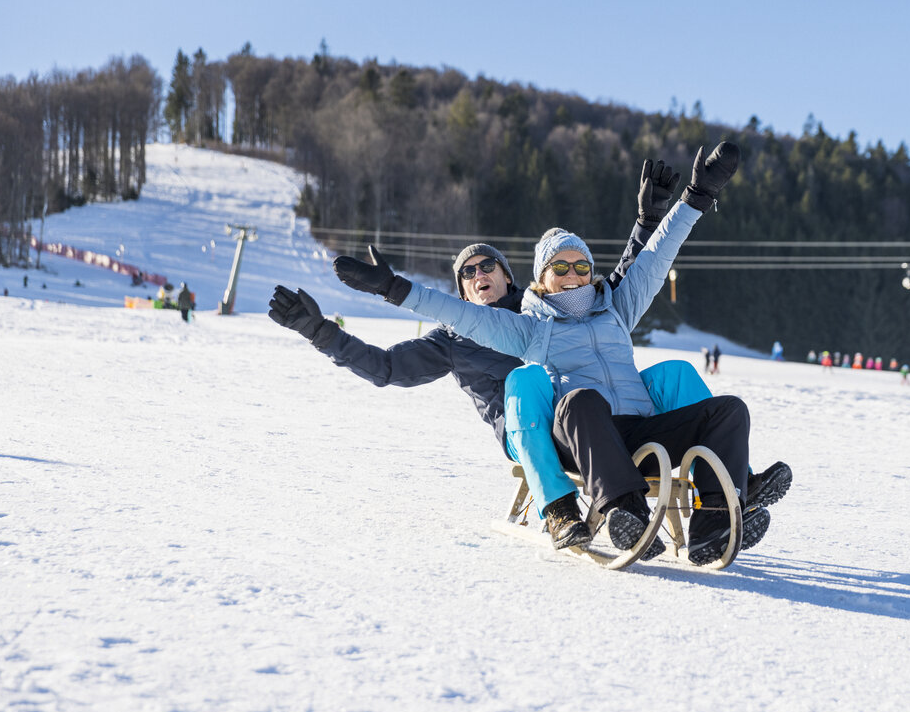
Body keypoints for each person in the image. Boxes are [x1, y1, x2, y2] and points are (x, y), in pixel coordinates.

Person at [280, 151, 790, 555]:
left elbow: (640, 270)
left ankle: (721, 509)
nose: (479, 276)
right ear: (538, 281)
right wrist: (369, 302)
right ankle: (581, 508)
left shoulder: (601, 308)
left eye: (488, 267)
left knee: (688, 379)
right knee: (528, 382)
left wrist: (684, 202)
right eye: (468, 274)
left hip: (623, 418)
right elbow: (396, 360)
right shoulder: (499, 332)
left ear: (510, 275)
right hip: (554, 427)